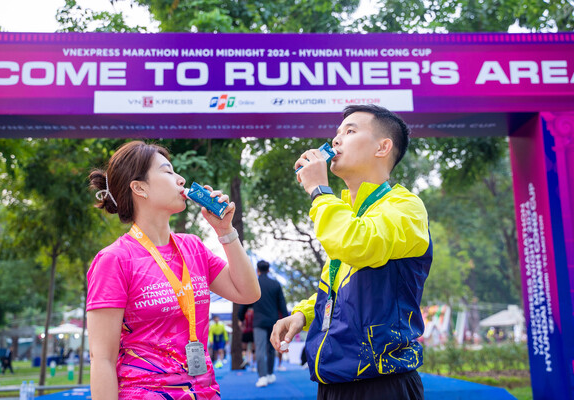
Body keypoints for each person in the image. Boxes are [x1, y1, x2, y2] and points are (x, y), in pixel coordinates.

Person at [271, 105, 432, 400]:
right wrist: (304, 314)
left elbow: (357, 245)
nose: (336, 140)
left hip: (382, 384)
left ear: (382, 147)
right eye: (337, 133)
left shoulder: (405, 206)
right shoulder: (346, 214)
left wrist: (319, 191)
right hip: (333, 383)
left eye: (350, 131)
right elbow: (340, 290)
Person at [86, 141, 260, 399]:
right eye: (167, 171)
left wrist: (225, 231)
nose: (181, 179)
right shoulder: (115, 260)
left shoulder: (193, 247)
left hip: (204, 392)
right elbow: (102, 359)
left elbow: (248, 293)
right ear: (140, 188)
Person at [239, 260, 288, 388]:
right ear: (269, 270)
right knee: (271, 348)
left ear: (258, 270)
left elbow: (246, 303)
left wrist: (240, 317)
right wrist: (286, 321)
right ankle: (270, 374)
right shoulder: (275, 284)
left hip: (259, 322)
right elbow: (282, 304)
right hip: (273, 322)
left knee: (260, 349)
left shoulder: (254, 284)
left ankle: (262, 377)